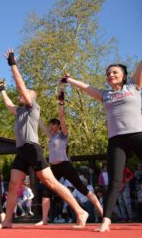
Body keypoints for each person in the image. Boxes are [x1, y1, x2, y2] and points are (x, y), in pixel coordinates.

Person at [0, 49, 88, 229]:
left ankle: (80, 210)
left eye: (26, 93)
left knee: (50, 182)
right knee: (14, 184)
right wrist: (2, 90)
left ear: (32, 98)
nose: (22, 94)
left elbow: (21, 85)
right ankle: (7, 221)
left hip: (32, 148)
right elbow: (8, 104)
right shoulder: (20, 110)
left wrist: (13, 65)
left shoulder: (32, 107)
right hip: (21, 151)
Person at [61, 61, 142, 231]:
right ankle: (106, 221)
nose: (110, 75)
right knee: (114, 181)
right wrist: (69, 80)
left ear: (124, 76)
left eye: (114, 72)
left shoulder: (133, 86)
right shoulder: (105, 95)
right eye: (108, 73)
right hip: (116, 141)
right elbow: (85, 87)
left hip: (137, 135)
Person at [35, 85, 102, 225]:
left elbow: (62, 116)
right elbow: (39, 122)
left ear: (57, 126)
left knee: (81, 188)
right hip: (54, 168)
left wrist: (61, 101)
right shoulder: (50, 137)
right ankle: (45, 219)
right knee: (47, 191)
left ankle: (102, 211)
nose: (50, 127)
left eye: (52, 125)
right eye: (50, 125)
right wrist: (33, 108)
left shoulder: (63, 135)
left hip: (65, 166)